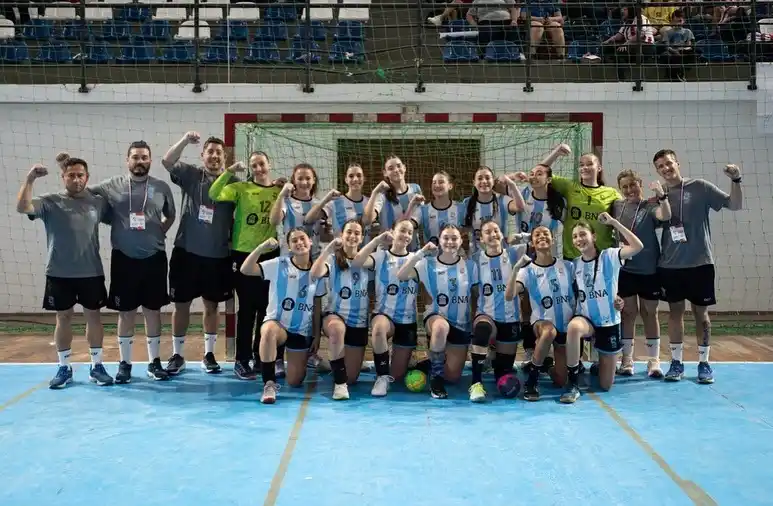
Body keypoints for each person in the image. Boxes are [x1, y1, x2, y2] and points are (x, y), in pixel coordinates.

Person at [16, 159, 114, 388]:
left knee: (94, 317)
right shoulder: (50, 201)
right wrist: (30, 178)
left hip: (91, 271)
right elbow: (23, 207)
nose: (76, 179)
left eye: (80, 175)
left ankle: (96, 366)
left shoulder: (97, 202)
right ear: (63, 177)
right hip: (59, 272)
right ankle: (64, 367)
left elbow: (119, 219)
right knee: (63, 317)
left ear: (87, 178)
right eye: (71, 175)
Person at [89, 141, 176, 383]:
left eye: (144, 157)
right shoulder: (111, 185)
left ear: (150, 160)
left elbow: (171, 214)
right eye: (135, 157)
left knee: (152, 311)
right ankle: (124, 364)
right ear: (127, 160)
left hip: (154, 258)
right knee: (125, 313)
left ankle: (154, 362)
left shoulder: (161, 187)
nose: (140, 161)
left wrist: (160, 232)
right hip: (124, 259)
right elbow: (85, 193)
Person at [653, 149, 743, 384]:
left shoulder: (700, 187)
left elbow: (734, 204)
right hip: (670, 265)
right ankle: (676, 362)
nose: (666, 168)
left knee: (701, 315)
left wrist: (736, 180)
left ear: (677, 163)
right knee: (674, 314)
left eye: (669, 163)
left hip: (700, 263)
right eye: (660, 166)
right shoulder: (659, 195)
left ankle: (704, 363)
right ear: (657, 171)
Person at [161, 132, 238, 375]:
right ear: (203, 155)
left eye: (219, 152)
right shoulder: (192, 175)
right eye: (210, 151)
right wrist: (184, 140)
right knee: (181, 305)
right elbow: (167, 161)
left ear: (224, 156)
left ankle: (209, 354)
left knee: (212, 307)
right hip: (187, 253)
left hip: (218, 256)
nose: (214, 155)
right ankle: (177, 355)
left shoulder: (233, 182)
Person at [208, 151, 283, 380]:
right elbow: (214, 193)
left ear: (269, 164)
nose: (258, 168)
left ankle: (261, 357)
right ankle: (241, 360)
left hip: (270, 253)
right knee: (247, 308)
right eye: (254, 165)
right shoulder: (240, 188)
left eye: (262, 164)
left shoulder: (278, 190)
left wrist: (286, 185)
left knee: (266, 308)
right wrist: (229, 171)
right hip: (243, 254)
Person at [561, 213, 644, 403]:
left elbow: (638, 246)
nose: (579, 239)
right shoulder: (574, 265)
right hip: (587, 320)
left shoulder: (610, 256)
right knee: (573, 328)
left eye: (583, 234)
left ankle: (600, 364)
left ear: (593, 237)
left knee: (605, 385)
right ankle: (573, 382)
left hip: (608, 322)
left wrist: (614, 223)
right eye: (575, 236)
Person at [239, 229, 326, 404]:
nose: (299, 242)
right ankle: (269, 383)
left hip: (301, 331)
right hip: (279, 326)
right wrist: (261, 248)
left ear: (310, 242)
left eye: (302, 239)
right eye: (294, 241)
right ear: (290, 247)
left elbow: (317, 305)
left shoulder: (318, 271)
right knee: (269, 331)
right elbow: (245, 269)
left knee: (295, 381)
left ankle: (313, 363)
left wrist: (316, 335)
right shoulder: (279, 264)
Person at [397, 225, 478, 400]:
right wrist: (421, 252)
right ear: (439, 241)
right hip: (436, 318)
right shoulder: (427, 264)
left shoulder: (470, 266)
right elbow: (401, 275)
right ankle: (436, 380)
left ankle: (428, 364)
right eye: (446, 238)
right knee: (440, 327)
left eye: (454, 238)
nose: (450, 242)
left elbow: (475, 296)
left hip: (461, 324)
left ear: (460, 241)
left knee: (453, 377)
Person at [611, 169, 671, 377]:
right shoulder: (617, 206)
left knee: (649, 313)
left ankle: (654, 360)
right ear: (620, 189)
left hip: (649, 269)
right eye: (625, 187)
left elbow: (665, 215)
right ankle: (627, 360)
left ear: (640, 184)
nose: (629, 190)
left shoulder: (651, 205)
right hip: (625, 269)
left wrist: (662, 197)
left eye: (632, 185)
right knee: (627, 314)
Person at [351, 219, 420, 396]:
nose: (406, 235)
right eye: (402, 230)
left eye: (409, 233)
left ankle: (404, 361)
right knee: (379, 327)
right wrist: (376, 241)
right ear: (393, 231)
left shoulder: (416, 260)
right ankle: (381, 376)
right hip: (384, 314)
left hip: (407, 320)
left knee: (396, 375)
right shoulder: (381, 256)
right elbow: (356, 262)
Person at [505, 226, 575, 402]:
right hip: (541, 323)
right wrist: (515, 270)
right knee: (549, 331)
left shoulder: (568, 266)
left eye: (546, 234)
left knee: (561, 380)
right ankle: (532, 380)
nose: (542, 237)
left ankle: (546, 364)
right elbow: (509, 296)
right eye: (537, 235)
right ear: (532, 243)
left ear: (552, 240)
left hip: (567, 327)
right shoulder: (527, 270)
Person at [310, 220, 371, 400]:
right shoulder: (332, 258)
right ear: (341, 235)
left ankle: (330, 364)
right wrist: (328, 249)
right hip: (335, 315)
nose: (352, 236)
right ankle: (339, 384)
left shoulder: (368, 260)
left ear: (361, 238)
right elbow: (314, 273)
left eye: (356, 233)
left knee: (352, 377)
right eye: (349, 232)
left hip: (358, 321)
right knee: (337, 330)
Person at [469, 220, 529, 401]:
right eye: (488, 232)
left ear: (502, 235)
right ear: (481, 239)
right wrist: (475, 314)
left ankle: (493, 357)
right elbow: (472, 290)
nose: (493, 234)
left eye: (496, 230)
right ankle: (476, 384)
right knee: (482, 330)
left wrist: (520, 237)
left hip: (510, 319)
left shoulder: (514, 253)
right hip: (487, 314)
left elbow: (538, 241)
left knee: (502, 374)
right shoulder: (476, 259)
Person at [363, 154, 423, 251]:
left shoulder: (415, 189)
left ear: (404, 168)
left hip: (411, 251)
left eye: (399, 166)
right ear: (385, 173)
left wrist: (411, 204)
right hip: (386, 251)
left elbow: (410, 224)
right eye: (391, 168)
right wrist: (374, 192)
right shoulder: (382, 194)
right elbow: (366, 220)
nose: (396, 170)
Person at [462, 166, 524, 255]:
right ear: (474, 183)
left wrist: (511, 184)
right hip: (477, 256)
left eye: (487, 178)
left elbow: (520, 207)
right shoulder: (467, 203)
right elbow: (464, 230)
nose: (484, 181)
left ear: (493, 181)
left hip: (502, 254)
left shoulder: (502, 200)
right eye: (480, 178)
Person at [270, 163, 324, 258]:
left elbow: (323, 235)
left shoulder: (319, 204)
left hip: (313, 258)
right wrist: (281, 194)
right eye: (300, 179)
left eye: (308, 178)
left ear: (314, 180)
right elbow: (274, 221)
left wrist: (327, 230)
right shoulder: (286, 202)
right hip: (289, 257)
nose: (304, 182)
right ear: (294, 181)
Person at [305, 163, 370, 240]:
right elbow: (308, 219)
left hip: (365, 251)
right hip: (339, 251)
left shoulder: (369, 202)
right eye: (351, 176)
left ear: (364, 179)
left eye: (359, 175)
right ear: (346, 180)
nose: (355, 179)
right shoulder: (335, 202)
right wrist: (325, 199)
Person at [407, 170, 465, 247]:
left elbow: (469, 229)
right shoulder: (423, 210)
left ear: (450, 186)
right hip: (431, 257)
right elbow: (407, 226)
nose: (437, 185)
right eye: (434, 182)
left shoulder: (461, 208)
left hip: (454, 257)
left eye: (441, 182)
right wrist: (411, 204)